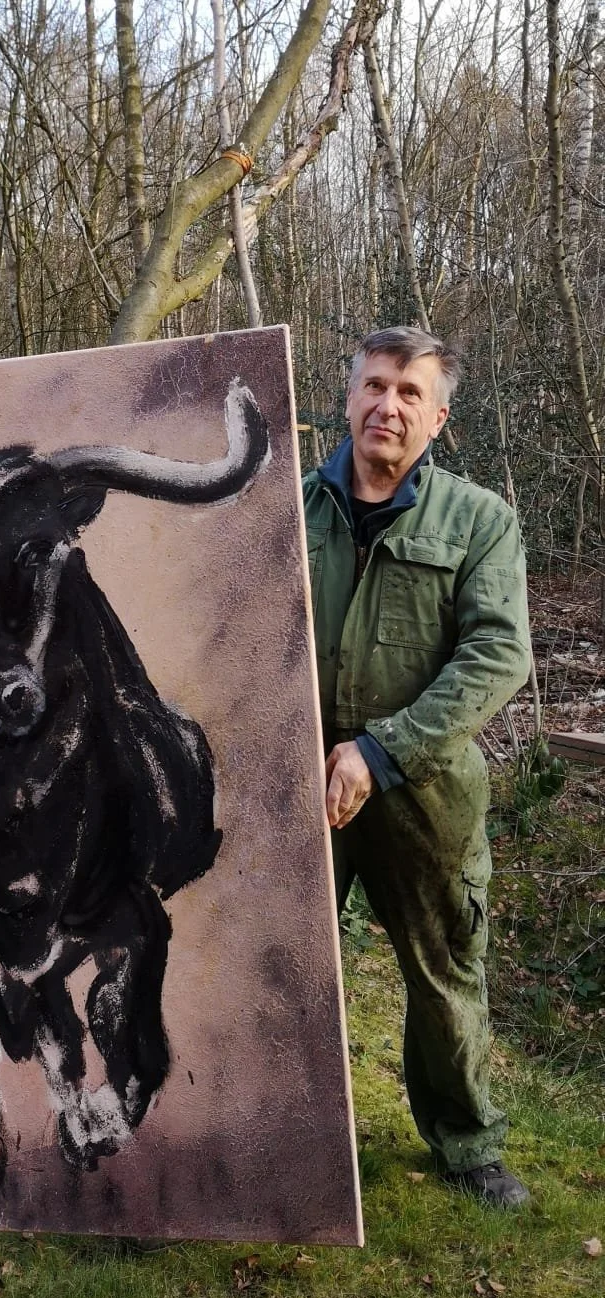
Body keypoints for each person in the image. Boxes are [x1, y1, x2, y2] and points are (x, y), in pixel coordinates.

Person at [303, 326, 532, 1207]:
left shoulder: (479, 521)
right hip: (298, 786)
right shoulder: (289, 506)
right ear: (349, 396)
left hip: (424, 794)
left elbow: (496, 657)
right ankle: (278, 1126)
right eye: (374, 386)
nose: (386, 405)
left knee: (443, 972)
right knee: (281, 963)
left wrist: (381, 749)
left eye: (408, 392)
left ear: (438, 417)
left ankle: (467, 1143)